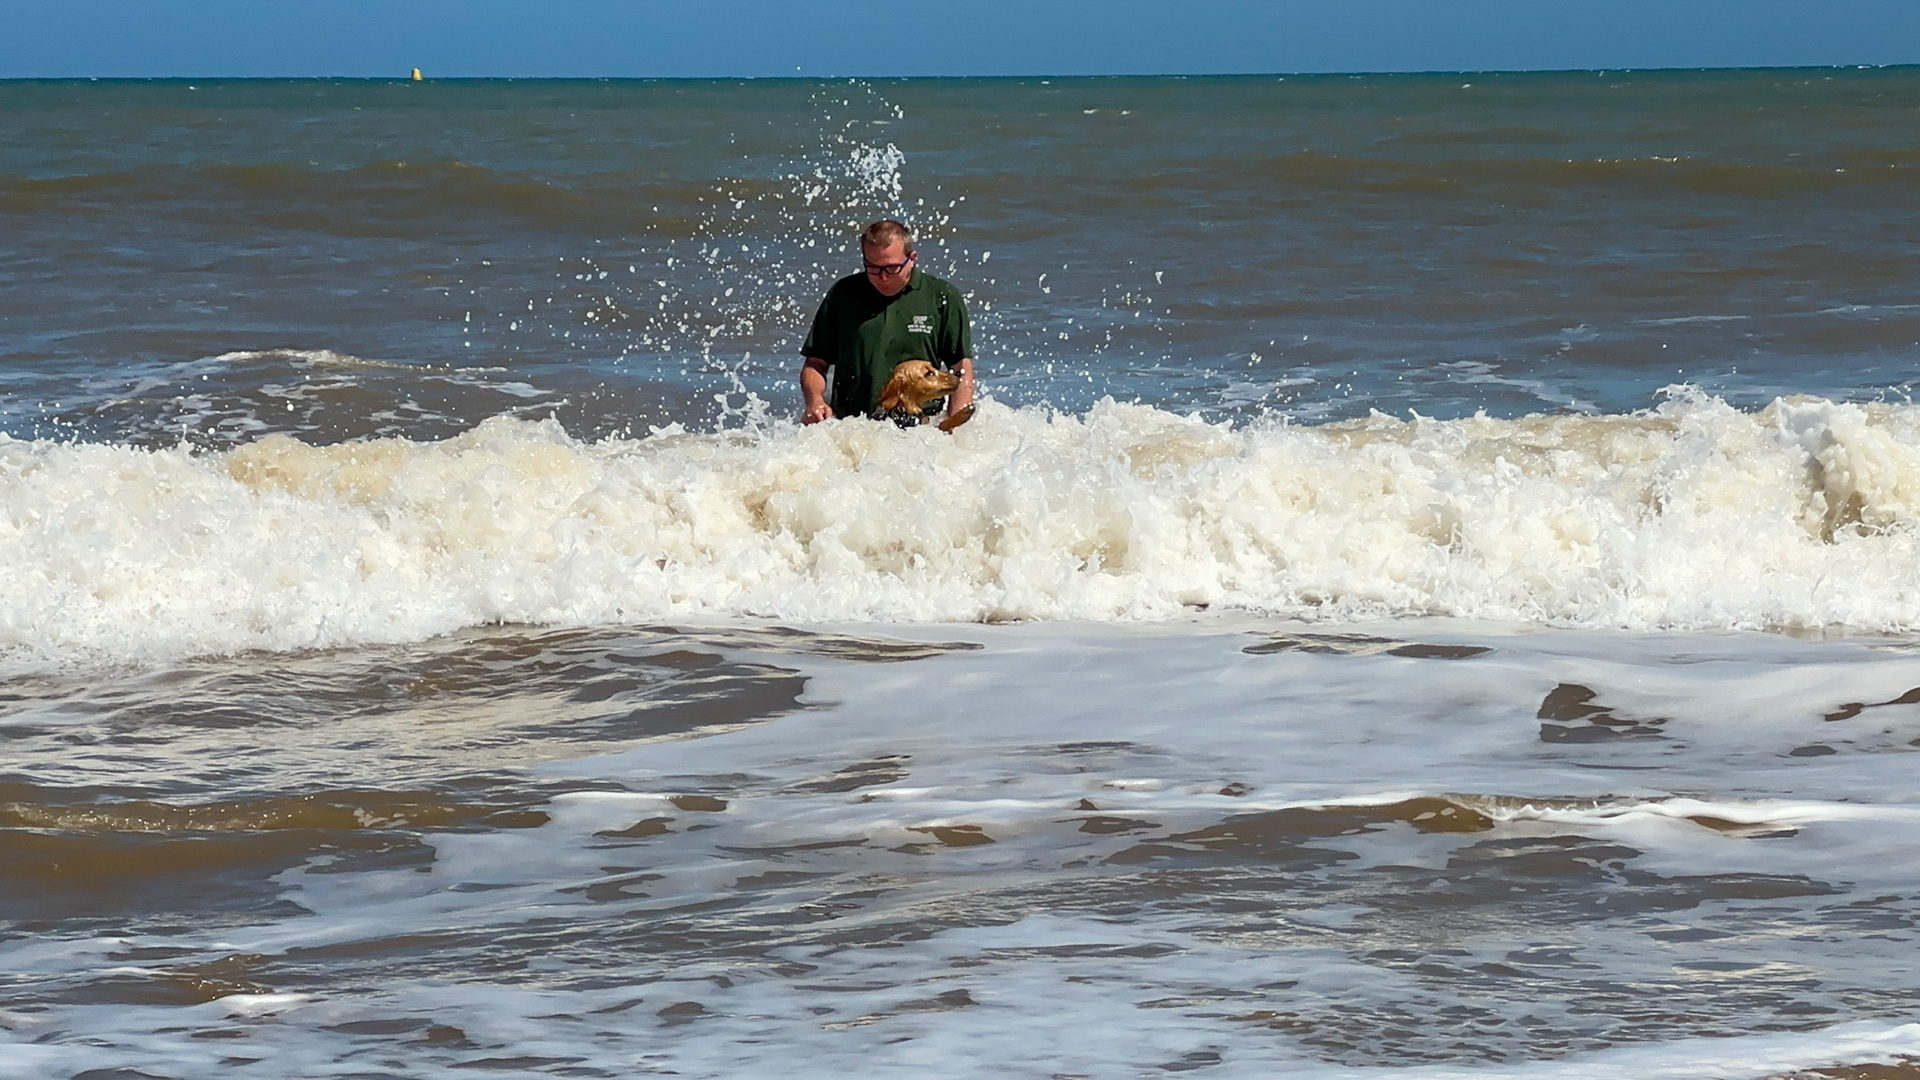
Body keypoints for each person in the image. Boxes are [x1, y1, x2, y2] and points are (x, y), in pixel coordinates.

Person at [799, 220, 974, 426]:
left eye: (892, 268)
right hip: (852, 426)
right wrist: (815, 401)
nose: (883, 277)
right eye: (873, 268)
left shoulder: (942, 296)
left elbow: (960, 368)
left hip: (922, 428)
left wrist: (954, 428)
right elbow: (815, 364)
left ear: (912, 258)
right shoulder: (843, 294)